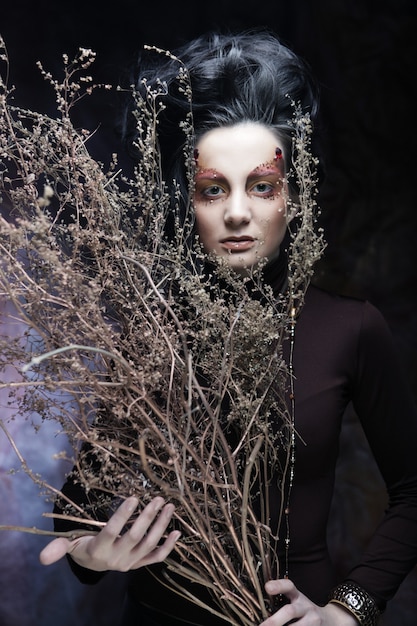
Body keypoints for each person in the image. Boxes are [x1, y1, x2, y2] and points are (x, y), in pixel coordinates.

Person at [39, 30, 417, 626]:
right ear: (184, 200)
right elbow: (75, 518)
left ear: (293, 195)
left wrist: (350, 609)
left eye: (261, 185)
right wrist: (95, 554)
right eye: (213, 189)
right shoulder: (154, 334)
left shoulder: (350, 329)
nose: (237, 212)